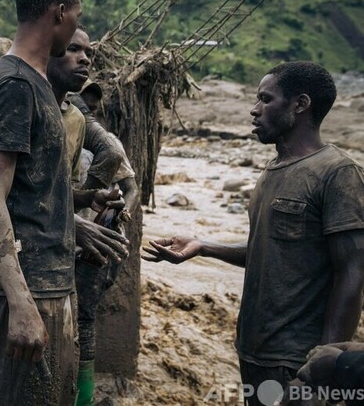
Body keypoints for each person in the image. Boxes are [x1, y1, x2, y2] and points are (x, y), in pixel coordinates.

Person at [143, 61, 364, 406]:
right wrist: (203, 247)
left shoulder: (337, 173)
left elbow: (351, 272)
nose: (254, 109)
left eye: (265, 99)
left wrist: (321, 369)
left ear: (300, 105)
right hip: (255, 354)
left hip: (298, 363)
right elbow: (270, 252)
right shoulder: (272, 171)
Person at [0, 0, 82, 405]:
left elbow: (35, 191)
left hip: (46, 280)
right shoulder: (15, 84)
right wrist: (21, 303)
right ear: (60, 12)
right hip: (26, 285)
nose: (76, 24)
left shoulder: (36, 82)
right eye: (77, 14)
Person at [49, 32, 137, 406]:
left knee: (82, 321)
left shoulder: (96, 137)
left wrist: (113, 212)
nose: (85, 106)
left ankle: (81, 397)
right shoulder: (58, 123)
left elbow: (129, 185)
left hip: (89, 243)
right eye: (74, 50)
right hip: (57, 235)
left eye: (90, 103)